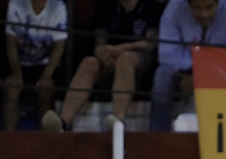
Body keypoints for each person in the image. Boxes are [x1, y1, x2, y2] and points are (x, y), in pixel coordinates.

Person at [41, 0, 164, 132]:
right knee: (89, 62)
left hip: (140, 62)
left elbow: (151, 44)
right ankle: (63, 123)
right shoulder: (106, 7)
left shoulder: (151, 7)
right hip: (110, 60)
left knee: (125, 59)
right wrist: (101, 52)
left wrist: (120, 49)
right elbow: (100, 41)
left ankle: (117, 122)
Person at [149, 0, 226, 132]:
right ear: (188, 3)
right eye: (196, 8)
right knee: (162, 76)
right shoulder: (174, 8)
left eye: (209, 7)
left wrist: (201, 76)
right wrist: (195, 73)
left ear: (219, 3)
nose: (203, 14)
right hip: (183, 70)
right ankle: (158, 135)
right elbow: (167, 54)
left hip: (220, 72)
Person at [1, 0, 67, 131]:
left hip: (45, 65)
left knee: (45, 89)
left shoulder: (58, 7)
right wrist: (16, 74)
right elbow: (10, 43)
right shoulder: (16, 4)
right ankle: (9, 139)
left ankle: (45, 141)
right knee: (12, 88)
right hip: (19, 64)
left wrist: (47, 76)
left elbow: (59, 46)